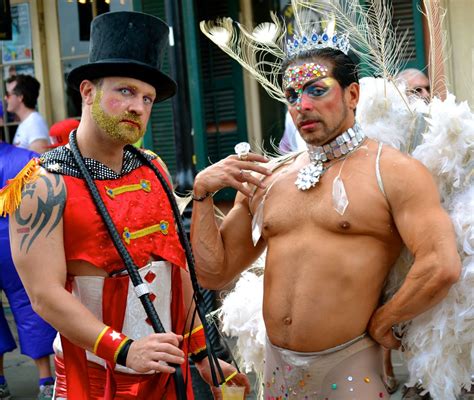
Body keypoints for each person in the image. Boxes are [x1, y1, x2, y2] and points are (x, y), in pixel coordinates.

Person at [193, 19, 461, 400]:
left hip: (351, 370)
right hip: (276, 374)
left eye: (318, 91)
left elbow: (440, 264)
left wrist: (387, 318)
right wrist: (203, 193)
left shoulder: (395, 172)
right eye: (292, 95)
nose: (302, 106)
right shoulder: (269, 179)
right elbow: (214, 274)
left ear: (353, 95)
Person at [1, 11, 248, 399]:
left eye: (147, 98)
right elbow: (44, 295)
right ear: (87, 92)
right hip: (93, 380)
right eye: (125, 91)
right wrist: (125, 350)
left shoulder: (153, 167)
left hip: (165, 373)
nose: (138, 106)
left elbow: (175, 269)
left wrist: (203, 352)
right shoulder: (41, 183)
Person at [0, 141, 57, 399]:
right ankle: (46, 380)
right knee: (29, 306)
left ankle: (1, 382)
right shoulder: (27, 159)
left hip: (15, 243)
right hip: (17, 245)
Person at [4, 74, 50, 153]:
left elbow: (39, 161)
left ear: (20, 97)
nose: (5, 98)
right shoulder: (28, 122)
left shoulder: (34, 124)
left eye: (8, 94)